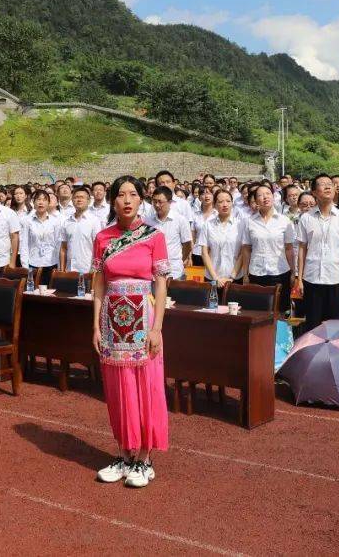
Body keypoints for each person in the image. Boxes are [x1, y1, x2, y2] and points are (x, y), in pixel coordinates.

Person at [91, 176, 169, 488]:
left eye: (133, 194)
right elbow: (98, 284)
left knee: (145, 386)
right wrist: (94, 325)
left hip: (143, 319)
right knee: (118, 387)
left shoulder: (154, 236)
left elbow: (161, 283)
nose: (126, 200)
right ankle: (125, 454)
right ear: (112, 201)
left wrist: (157, 328)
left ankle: (144, 458)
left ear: (141, 201)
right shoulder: (103, 238)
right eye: (120, 195)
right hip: (112, 320)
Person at [293, 175, 339, 332]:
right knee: (313, 325)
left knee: (335, 326)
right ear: (314, 191)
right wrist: (299, 279)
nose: (327, 187)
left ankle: (332, 357)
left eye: (330, 184)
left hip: (336, 278)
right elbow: (302, 249)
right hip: (312, 279)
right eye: (322, 185)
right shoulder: (306, 218)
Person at [240, 184, 296, 305]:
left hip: (280, 272)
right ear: (255, 200)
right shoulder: (249, 222)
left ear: (273, 196)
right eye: (260, 195)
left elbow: (289, 248)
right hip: (257, 272)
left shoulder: (284, 221)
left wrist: (293, 272)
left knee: (281, 310)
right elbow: (246, 249)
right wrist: (245, 274)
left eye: (268, 194)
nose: (265, 197)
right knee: (259, 310)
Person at [199, 188, 245, 287]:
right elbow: (204, 253)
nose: (225, 205)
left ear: (232, 203)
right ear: (215, 205)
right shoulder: (208, 225)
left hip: (235, 278)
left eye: (228, 201)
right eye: (220, 202)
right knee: (213, 303)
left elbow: (243, 252)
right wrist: (216, 278)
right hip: (212, 278)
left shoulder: (240, 224)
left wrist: (232, 277)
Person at [144, 186, 192, 280]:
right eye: (154, 201)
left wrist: (179, 260)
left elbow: (187, 244)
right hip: (154, 274)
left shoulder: (180, 220)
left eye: (160, 202)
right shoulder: (148, 222)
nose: (157, 205)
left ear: (170, 202)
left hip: (174, 272)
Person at [59, 185, 102, 275]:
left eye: (82, 197)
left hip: (87, 270)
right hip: (69, 270)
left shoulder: (94, 221)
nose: (79, 200)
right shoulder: (67, 222)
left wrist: (94, 271)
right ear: (72, 200)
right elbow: (63, 247)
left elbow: (98, 248)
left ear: (88, 201)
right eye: (76, 197)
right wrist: (62, 270)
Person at [24, 189, 62, 285]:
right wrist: (25, 266)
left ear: (48, 203)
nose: (41, 202)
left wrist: (59, 265)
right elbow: (24, 244)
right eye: (38, 199)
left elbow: (58, 244)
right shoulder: (28, 221)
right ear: (33, 202)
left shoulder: (55, 221)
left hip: (51, 263)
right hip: (33, 263)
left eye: (44, 200)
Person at [190, 187, 214, 267]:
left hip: (214, 254)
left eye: (209, 193)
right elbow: (192, 238)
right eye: (203, 193)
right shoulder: (195, 215)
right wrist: (189, 256)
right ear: (199, 198)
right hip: (197, 253)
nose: (206, 196)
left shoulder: (217, 215)